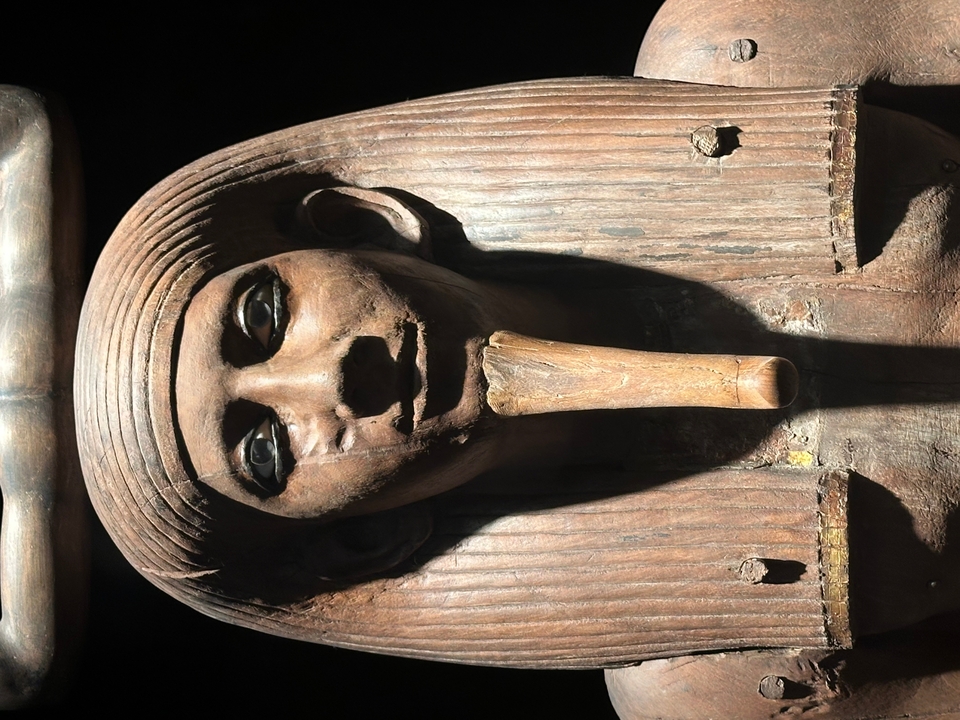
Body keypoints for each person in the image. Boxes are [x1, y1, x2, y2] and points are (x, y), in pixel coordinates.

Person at [75, 75, 960, 670]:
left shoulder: (733, 45)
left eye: (262, 319)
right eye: (264, 448)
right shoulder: (709, 687)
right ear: (362, 540)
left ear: (358, 219)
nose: (336, 382)